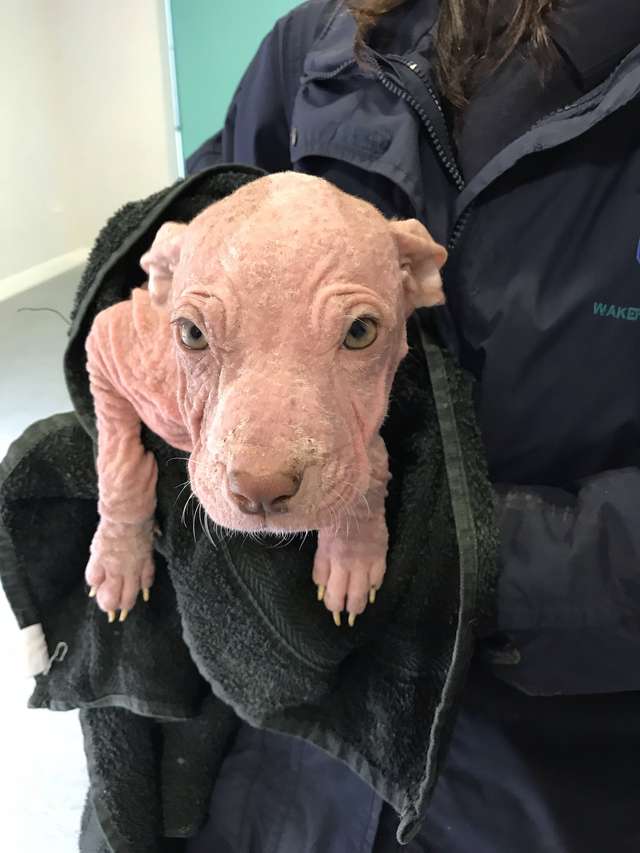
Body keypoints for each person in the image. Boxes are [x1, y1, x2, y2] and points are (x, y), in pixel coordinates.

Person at [183, 1, 640, 851]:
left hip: (561, 768)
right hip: (300, 737)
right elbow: (192, 242)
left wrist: (461, 553)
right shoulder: (315, 42)